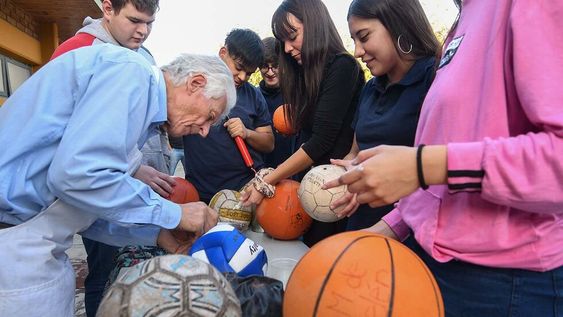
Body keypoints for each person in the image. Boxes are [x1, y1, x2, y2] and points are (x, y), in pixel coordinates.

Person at [325, 0, 563, 315]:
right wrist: (387, 228)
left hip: (505, 282)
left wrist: (422, 166)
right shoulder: (467, 17)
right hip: (439, 266)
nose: (357, 50)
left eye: (364, 36)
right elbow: (439, 181)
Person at [0, 45, 236, 317]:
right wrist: (174, 213)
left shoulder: (135, 98)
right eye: (209, 116)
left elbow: (84, 204)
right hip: (16, 254)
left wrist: (156, 233)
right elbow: (77, 175)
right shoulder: (131, 74)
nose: (205, 131)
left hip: (33, 247)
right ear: (196, 83)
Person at [50, 1, 174, 315]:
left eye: (150, 23)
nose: (143, 31)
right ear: (108, 8)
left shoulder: (141, 56)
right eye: (135, 20)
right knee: (103, 272)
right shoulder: (77, 51)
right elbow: (76, 150)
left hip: (123, 188)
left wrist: (139, 168)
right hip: (65, 203)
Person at [241, 0, 365, 247]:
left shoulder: (343, 66)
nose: (286, 49)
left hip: (335, 191)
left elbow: (320, 142)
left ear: (315, 25)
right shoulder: (306, 76)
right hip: (309, 189)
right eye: (282, 42)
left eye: (292, 36)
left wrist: (266, 180)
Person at [329, 0, 440, 230]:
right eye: (354, 41)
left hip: (408, 231)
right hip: (361, 223)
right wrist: (347, 170)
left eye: (364, 36)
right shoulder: (370, 89)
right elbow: (355, 151)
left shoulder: (435, 79)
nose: (358, 52)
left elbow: (438, 172)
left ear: (397, 24)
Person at [183, 29, 274, 203]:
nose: (242, 77)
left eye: (249, 73)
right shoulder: (193, 85)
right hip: (202, 195)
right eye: (239, 68)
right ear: (223, 53)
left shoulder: (253, 95)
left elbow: (269, 143)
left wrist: (246, 133)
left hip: (246, 194)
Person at [259, 37, 295, 169]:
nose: (270, 72)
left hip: (295, 168)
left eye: (275, 66)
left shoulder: (297, 94)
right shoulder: (255, 98)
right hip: (264, 171)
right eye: (264, 66)